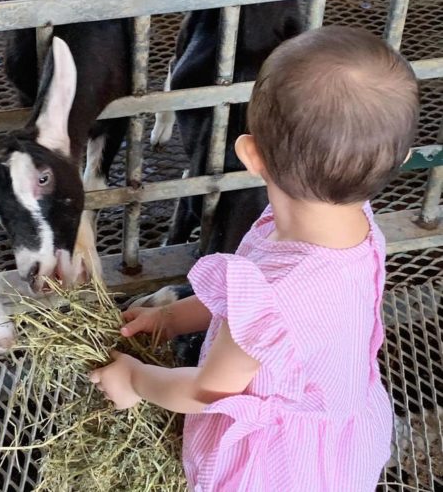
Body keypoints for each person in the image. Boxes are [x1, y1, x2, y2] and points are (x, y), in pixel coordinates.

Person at [89, 25, 420, 491]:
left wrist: (136, 378)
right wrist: (171, 317)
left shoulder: (278, 294)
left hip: (274, 469)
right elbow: (248, 314)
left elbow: (208, 391)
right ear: (401, 157)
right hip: (337, 441)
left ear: (250, 154)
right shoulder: (356, 224)